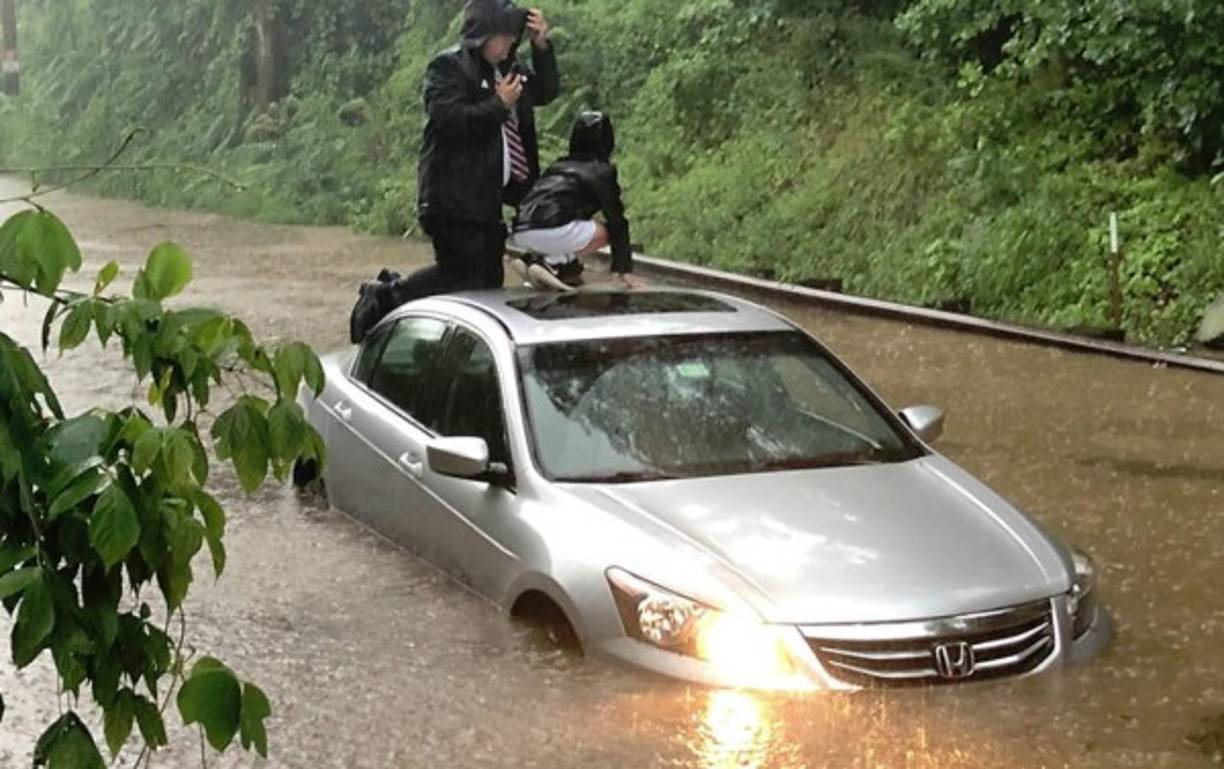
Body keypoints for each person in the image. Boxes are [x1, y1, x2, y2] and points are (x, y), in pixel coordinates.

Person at [350, 0, 559, 342]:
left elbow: (546, 92)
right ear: (482, 35)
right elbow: (448, 122)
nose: (509, 42)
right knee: (459, 275)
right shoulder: (448, 67)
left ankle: (463, 348)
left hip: (488, 198)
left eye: (513, 35)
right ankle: (387, 297)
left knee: (488, 285)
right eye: (503, 35)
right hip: (450, 197)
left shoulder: (510, 69)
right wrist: (498, 105)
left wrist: (541, 46)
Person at [508, 111, 644, 291]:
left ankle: (533, 261)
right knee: (608, 231)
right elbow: (616, 220)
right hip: (552, 228)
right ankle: (554, 265)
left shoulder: (557, 166)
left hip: (521, 231)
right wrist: (624, 269)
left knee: (576, 226)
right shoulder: (601, 172)